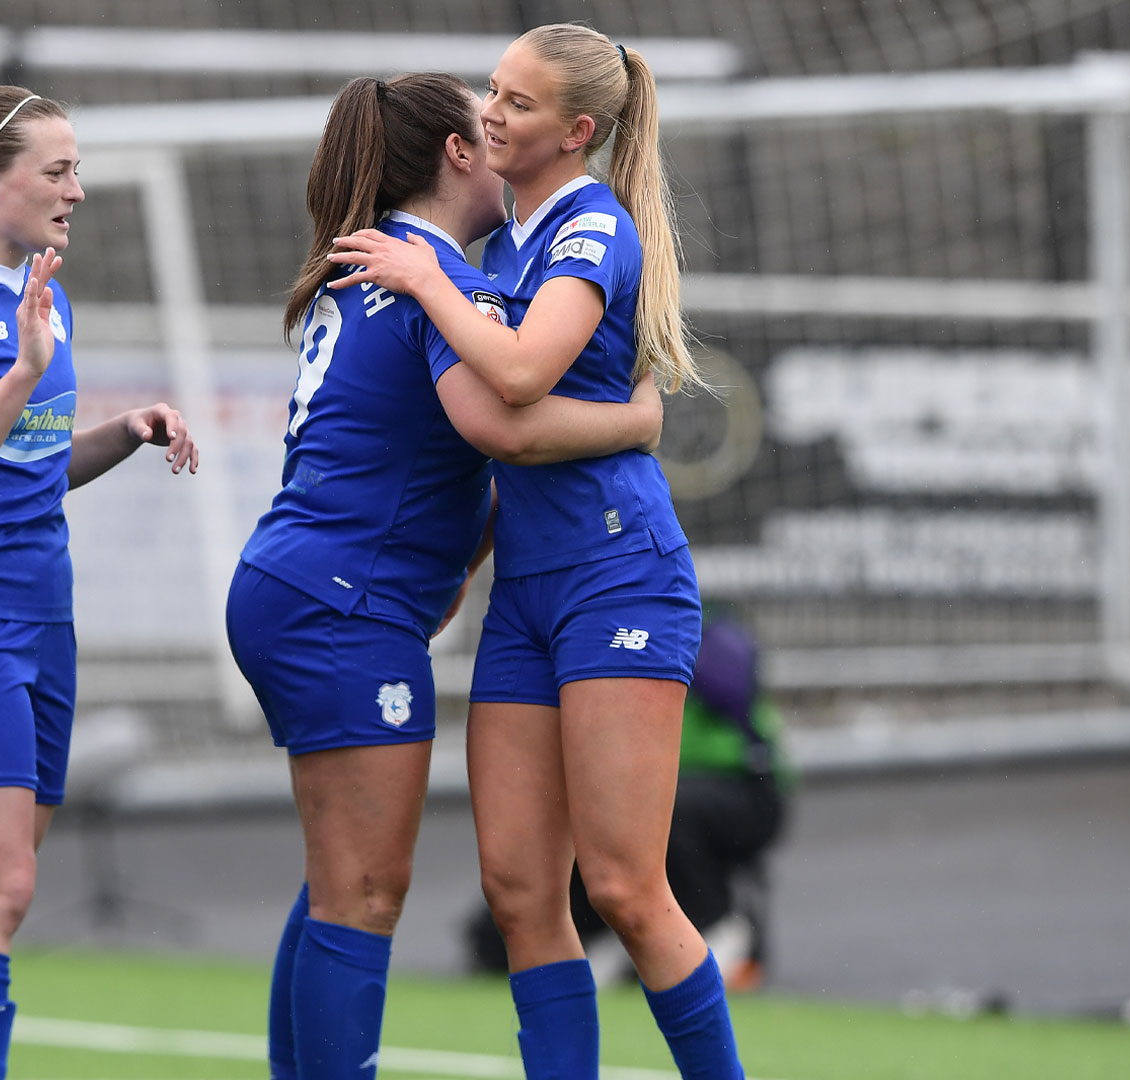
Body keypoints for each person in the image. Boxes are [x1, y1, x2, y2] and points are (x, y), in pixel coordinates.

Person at [229, 71, 666, 1079]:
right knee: (366, 893)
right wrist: (640, 422)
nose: (505, 132)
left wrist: (459, 557)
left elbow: (416, 450)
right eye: (489, 119)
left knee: (338, 881)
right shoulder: (440, 278)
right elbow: (498, 422)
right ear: (458, 155)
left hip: (303, 586)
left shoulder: (391, 265)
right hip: (343, 603)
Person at [329, 25, 746, 1078]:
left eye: (517, 101)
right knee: (520, 892)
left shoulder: (589, 231)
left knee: (624, 888)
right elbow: (494, 445)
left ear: (579, 132)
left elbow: (518, 378)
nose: (490, 112)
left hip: (620, 579)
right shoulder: (504, 249)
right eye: (493, 90)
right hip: (527, 597)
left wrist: (426, 280)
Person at [0, 84, 198, 1080]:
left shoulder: (41, 295)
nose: (79, 191)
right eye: (57, 171)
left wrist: (122, 432)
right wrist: (20, 372)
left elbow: (18, 464)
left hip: (40, 621)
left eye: (77, 169)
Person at [465, 616, 792, 992]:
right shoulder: (575, 618)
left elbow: (732, 682)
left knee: (673, 813)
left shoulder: (700, 622)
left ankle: (716, 928)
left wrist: (639, 647)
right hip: (645, 782)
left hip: (743, 784)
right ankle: (604, 938)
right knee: (558, 841)